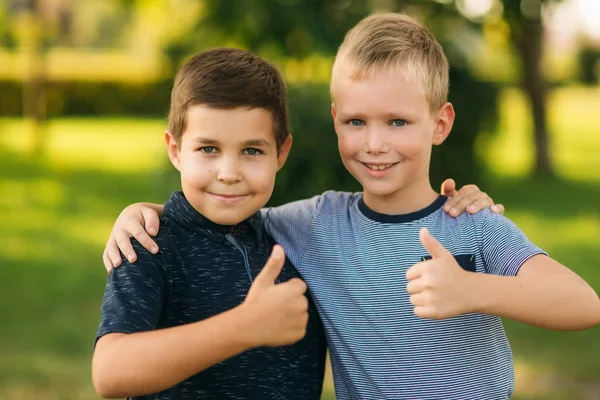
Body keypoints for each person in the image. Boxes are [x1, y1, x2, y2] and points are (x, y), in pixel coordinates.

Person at [103, 13, 600, 399]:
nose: (375, 143)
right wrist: (143, 211)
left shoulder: (470, 223)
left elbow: (582, 303)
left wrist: (472, 289)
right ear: (337, 120)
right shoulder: (315, 222)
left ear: (440, 123)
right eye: (357, 122)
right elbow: (226, 206)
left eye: (398, 123)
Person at [92, 48, 328, 399]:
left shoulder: (296, 238)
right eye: (208, 149)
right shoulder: (150, 242)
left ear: (281, 152)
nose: (229, 174)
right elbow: (110, 372)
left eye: (252, 151)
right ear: (175, 150)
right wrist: (246, 326)